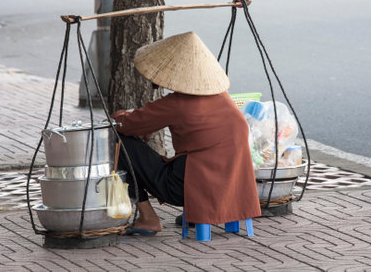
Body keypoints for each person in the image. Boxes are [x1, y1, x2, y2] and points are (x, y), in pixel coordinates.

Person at [111, 31, 261, 236]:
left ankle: (148, 218)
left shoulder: (177, 104)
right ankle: (196, 212)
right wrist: (148, 126)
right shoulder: (222, 99)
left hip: (189, 188)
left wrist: (122, 115)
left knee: (116, 141)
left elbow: (124, 124)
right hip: (232, 187)